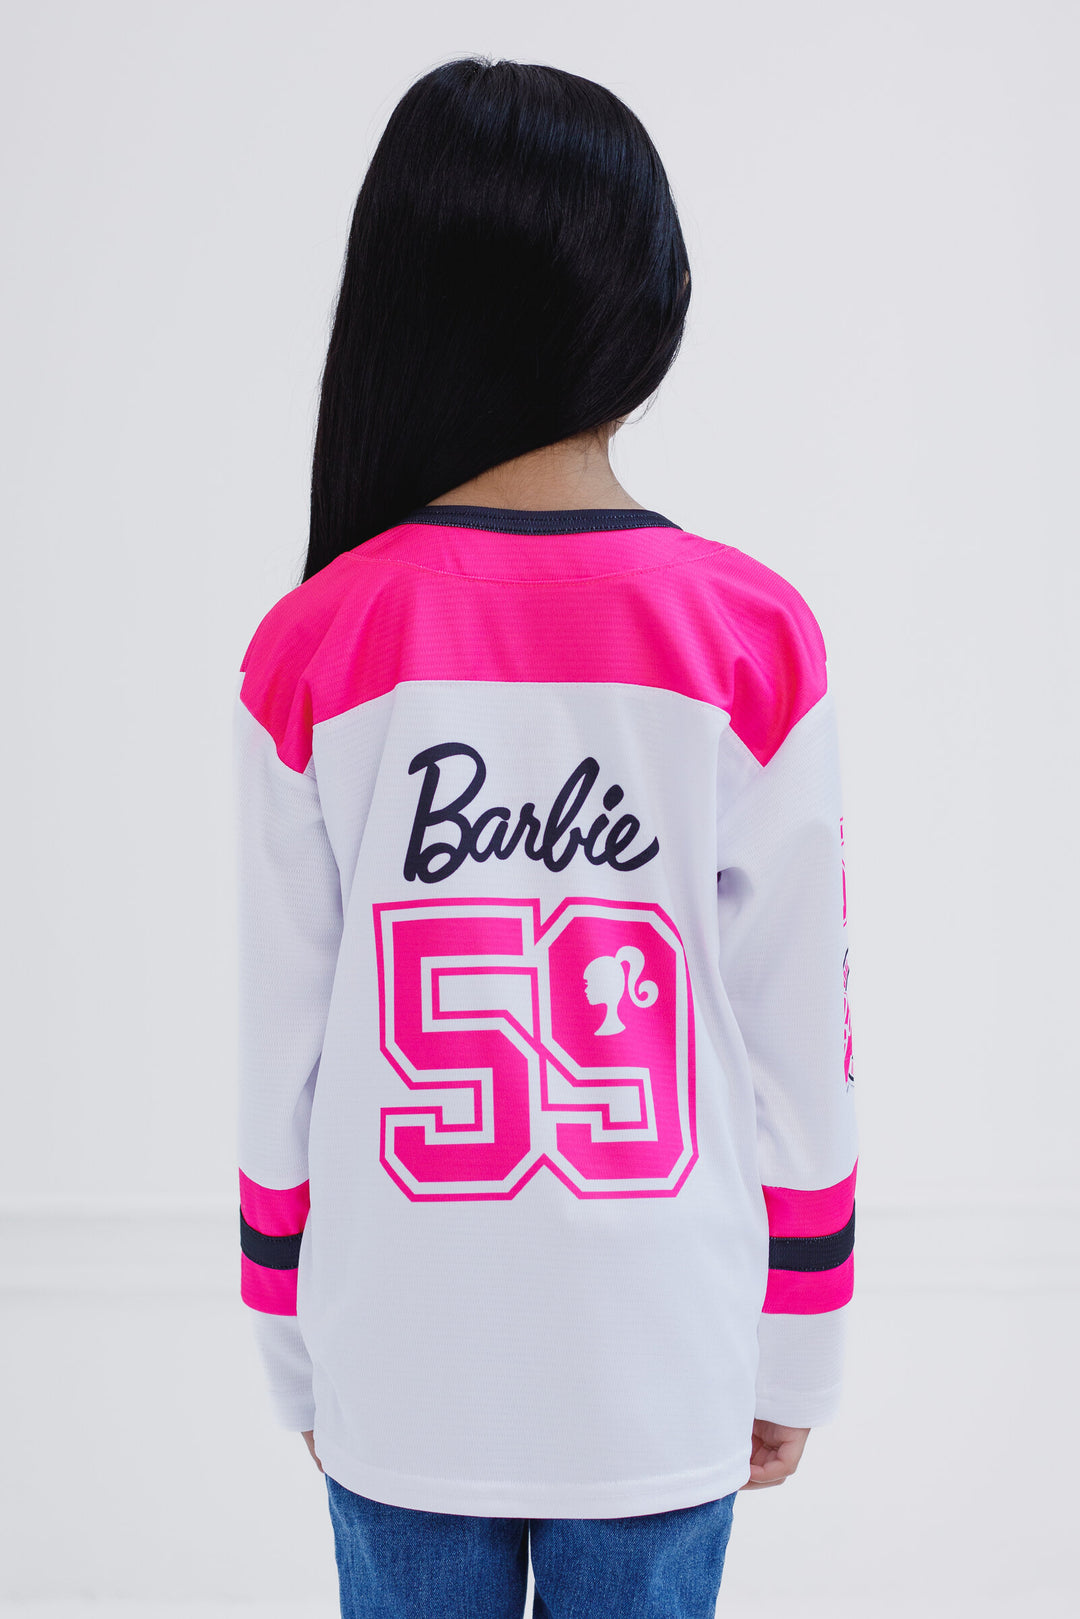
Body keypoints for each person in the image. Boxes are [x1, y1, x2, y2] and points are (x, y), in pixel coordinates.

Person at [233, 54, 858, 1619]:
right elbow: (803, 1039)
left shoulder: (313, 644)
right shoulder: (750, 636)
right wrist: (801, 1337)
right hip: (662, 1357)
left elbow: (278, 1040)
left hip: (399, 1357)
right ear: (644, 304)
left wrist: (288, 1337)